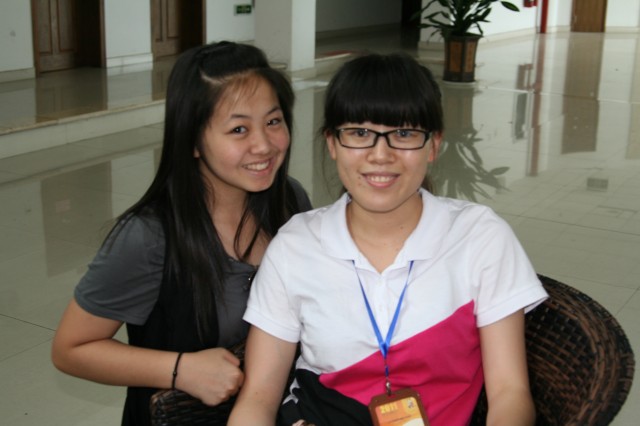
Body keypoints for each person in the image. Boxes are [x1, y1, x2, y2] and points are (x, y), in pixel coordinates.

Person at [228, 52, 548, 426]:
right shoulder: (295, 245)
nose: (381, 155)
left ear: (433, 145)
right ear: (332, 143)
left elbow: (510, 393)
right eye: (360, 133)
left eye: (404, 134)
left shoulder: (480, 238)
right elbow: (258, 397)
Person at [51, 41, 312, 425]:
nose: (263, 145)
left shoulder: (289, 201)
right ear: (192, 141)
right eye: (238, 129)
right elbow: (70, 349)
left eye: (273, 121)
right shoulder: (149, 236)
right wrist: (179, 370)